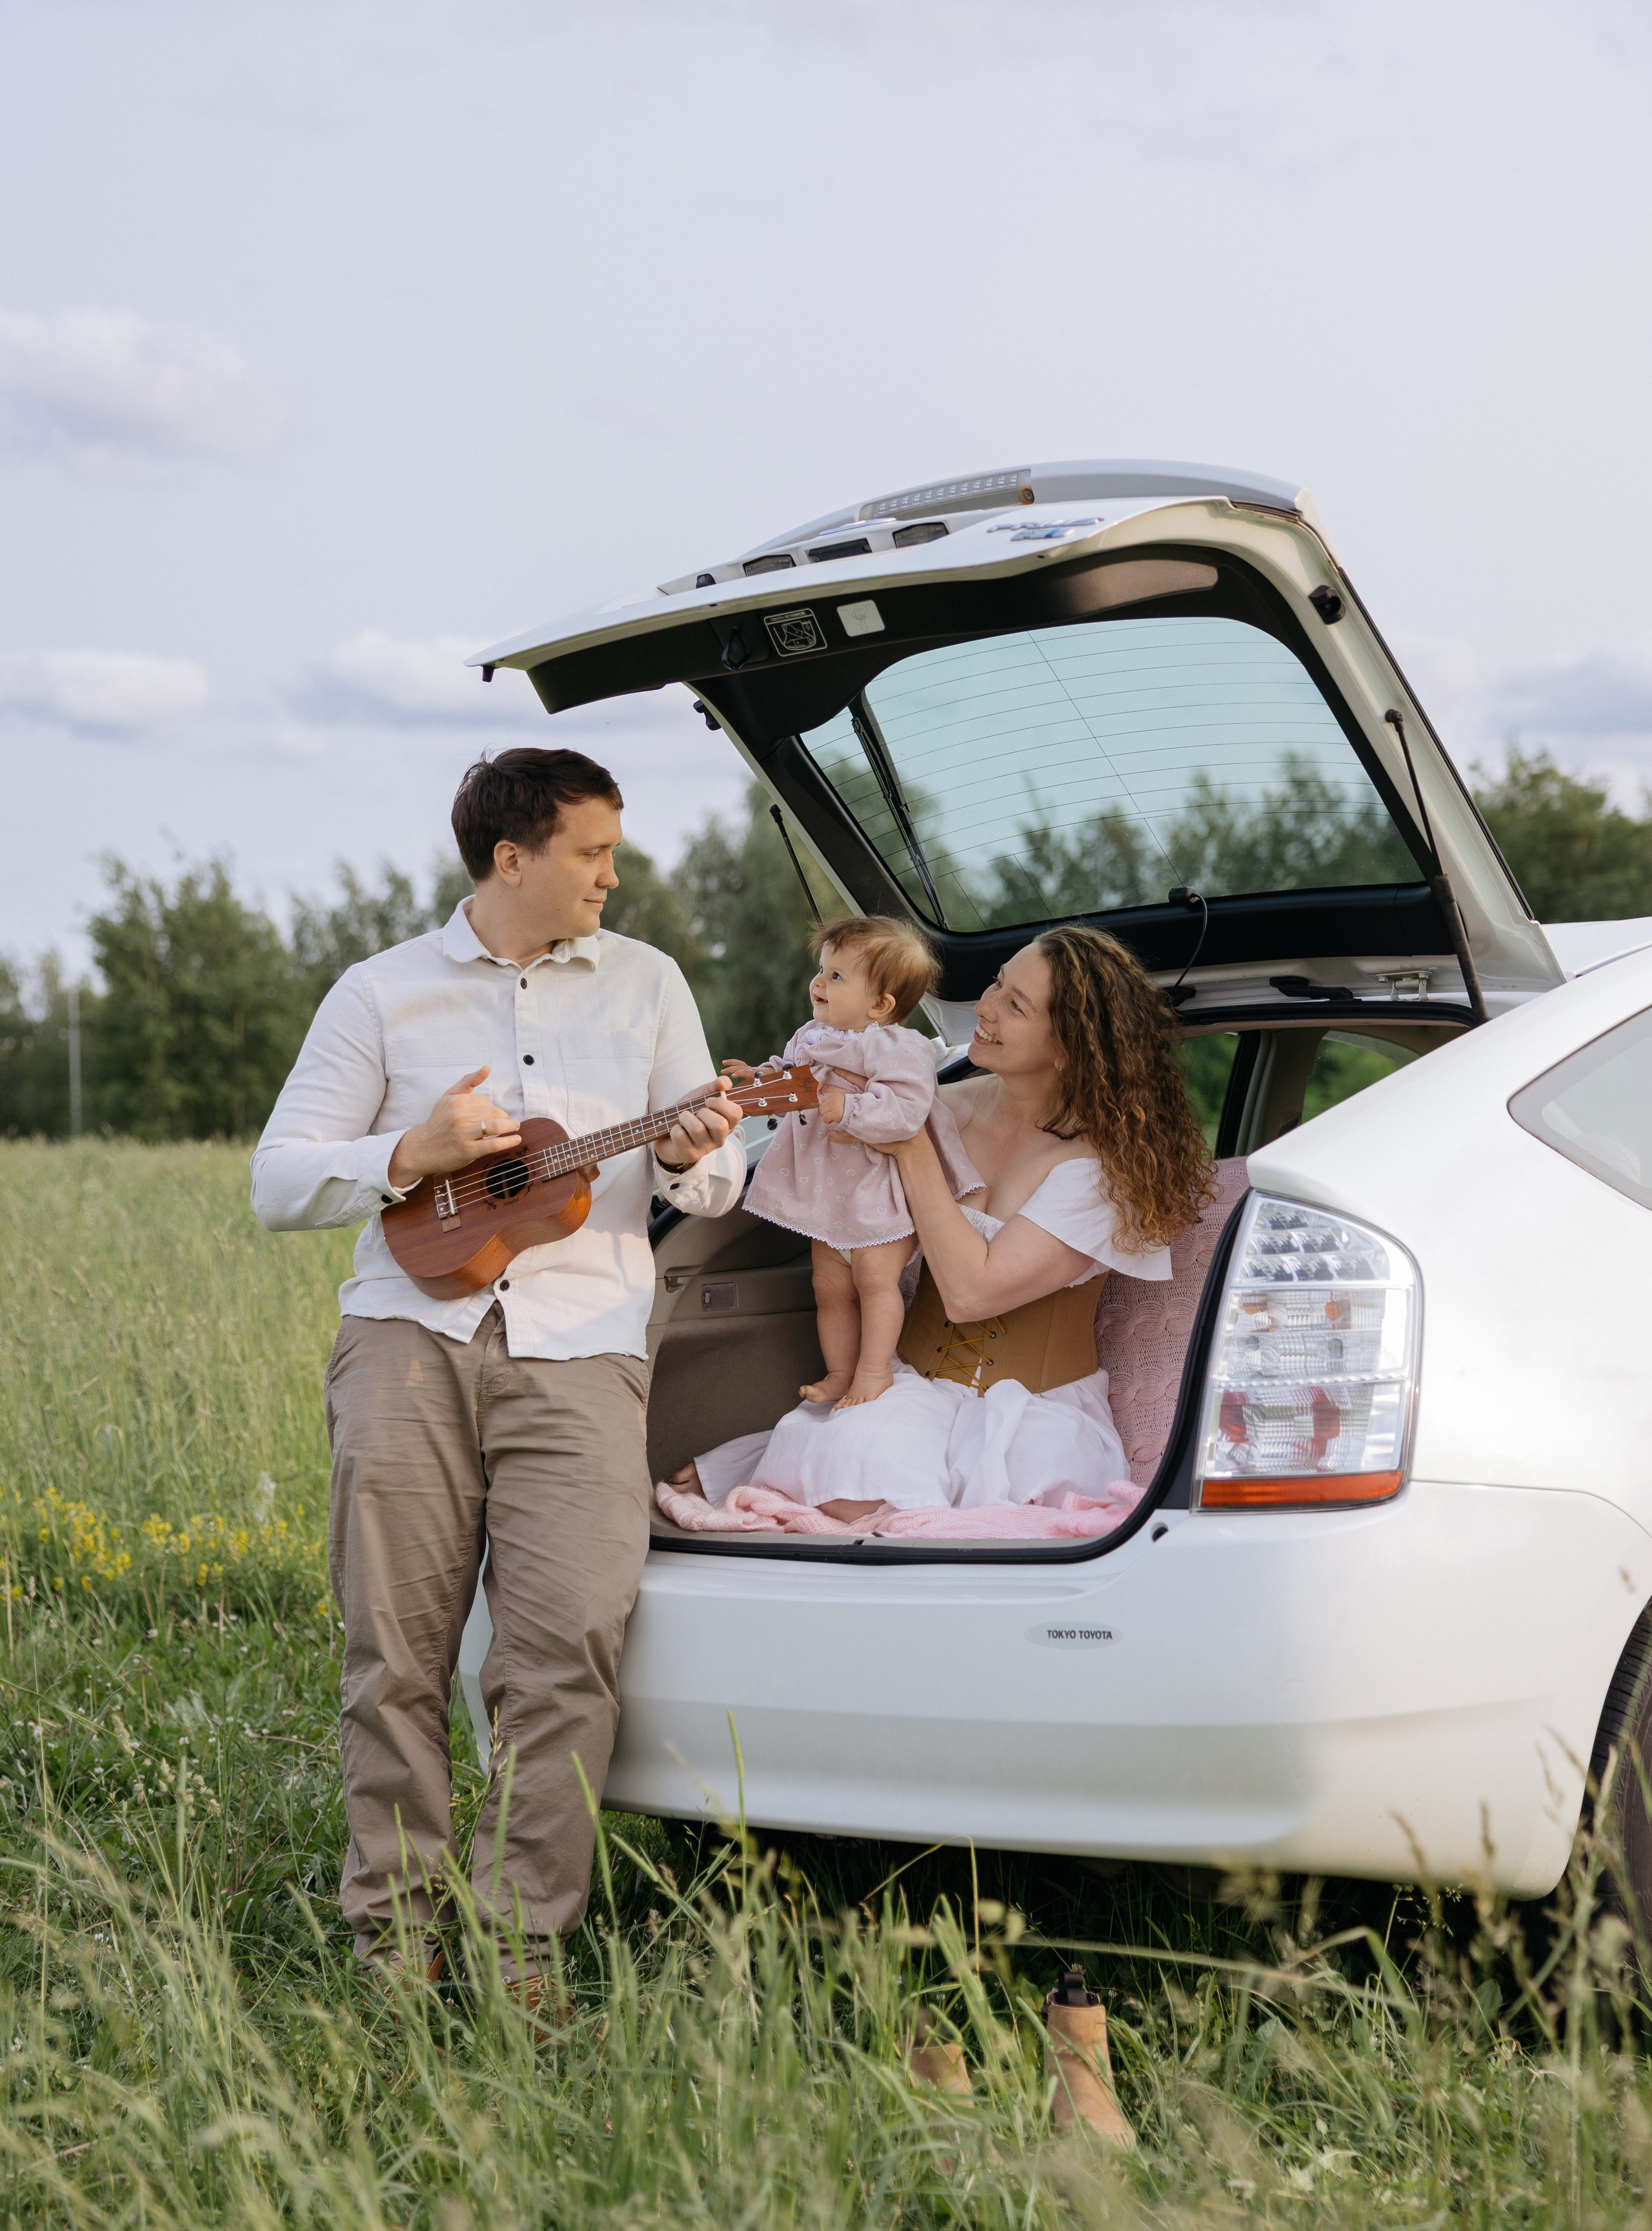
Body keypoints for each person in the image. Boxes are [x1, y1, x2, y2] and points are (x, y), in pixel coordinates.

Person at [251, 748, 743, 1997]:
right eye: (593, 852)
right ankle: (396, 1952)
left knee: (567, 1648)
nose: (613, 875)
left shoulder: (650, 982)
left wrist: (688, 1154)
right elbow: (277, 1179)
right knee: (396, 1656)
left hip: (583, 1349)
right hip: (403, 1347)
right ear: (511, 858)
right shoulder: (379, 992)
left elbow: (716, 1181)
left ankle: (521, 1954)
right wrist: (404, 1153)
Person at [669, 924, 1213, 1526]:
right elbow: (813, 1138)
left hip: (1033, 1417)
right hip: (908, 1390)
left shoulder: (1104, 1172)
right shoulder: (938, 1102)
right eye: (996, 984)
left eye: (1015, 1004)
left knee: (930, 1509)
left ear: (1070, 1046)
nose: (984, 1007)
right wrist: (714, 1126)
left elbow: (970, 1294)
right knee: (841, 1485)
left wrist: (911, 1146)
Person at [727, 914, 983, 1409]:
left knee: (874, 1283)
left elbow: (907, 1111)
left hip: (880, 1195)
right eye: (822, 970)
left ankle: (873, 1370)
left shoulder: (896, 1047)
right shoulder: (811, 1035)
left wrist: (849, 1108)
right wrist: (761, 1078)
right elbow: (793, 1078)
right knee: (827, 1288)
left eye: (837, 976)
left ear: (880, 1004)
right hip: (829, 1198)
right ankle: (840, 1372)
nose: (818, 983)